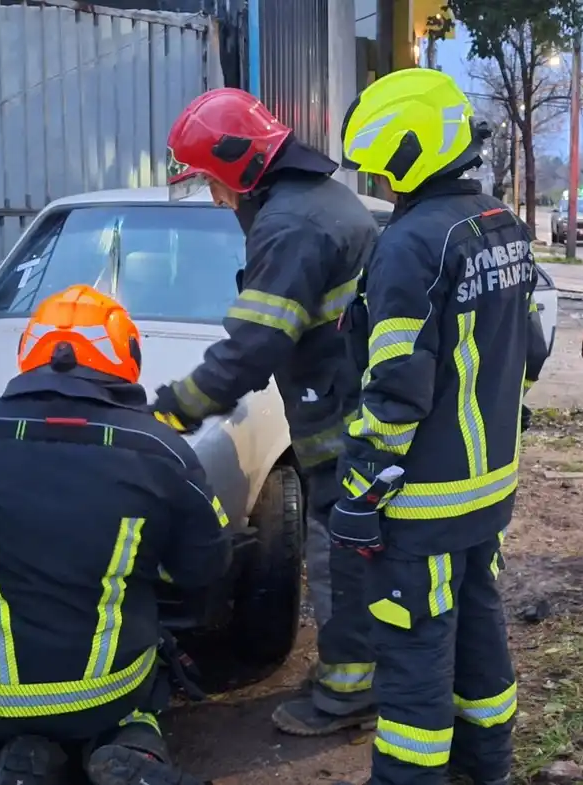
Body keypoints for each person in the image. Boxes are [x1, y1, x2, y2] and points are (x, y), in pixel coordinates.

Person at [0, 285, 226, 785]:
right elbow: (205, 567)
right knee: (138, 702)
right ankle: (133, 751)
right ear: (126, 358)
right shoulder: (161, 449)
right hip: (102, 692)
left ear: (30, 352)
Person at [330, 67, 548, 785]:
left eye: (379, 166)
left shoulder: (409, 244)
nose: (378, 181)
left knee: (414, 651)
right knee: (479, 627)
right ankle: (487, 765)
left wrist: (361, 486)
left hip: (422, 501)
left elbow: (397, 386)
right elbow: (531, 346)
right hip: (489, 489)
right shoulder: (501, 223)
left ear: (407, 154)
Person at [152, 87, 379, 736]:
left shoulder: (291, 225)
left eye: (211, 182)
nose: (214, 198)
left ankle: (347, 695)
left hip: (341, 422)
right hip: (351, 407)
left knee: (339, 554)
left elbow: (253, 346)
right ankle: (362, 675)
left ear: (238, 166)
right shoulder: (316, 202)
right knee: (358, 552)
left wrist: (176, 407)